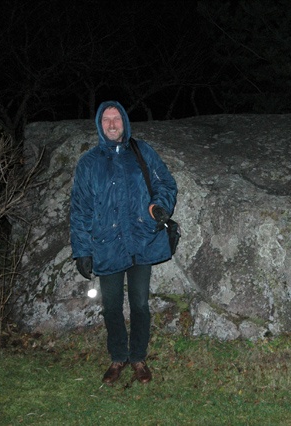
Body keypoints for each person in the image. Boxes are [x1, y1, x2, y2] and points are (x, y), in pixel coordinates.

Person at [70, 100, 177, 385]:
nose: (112, 124)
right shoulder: (89, 163)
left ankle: (138, 357)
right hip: (107, 246)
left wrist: (159, 206)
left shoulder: (142, 151)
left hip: (141, 242)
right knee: (113, 306)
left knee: (140, 304)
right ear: (99, 125)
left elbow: (166, 183)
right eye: (106, 119)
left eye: (116, 118)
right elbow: (79, 209)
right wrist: (81, 250)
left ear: (125, 122)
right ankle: (118, 358)